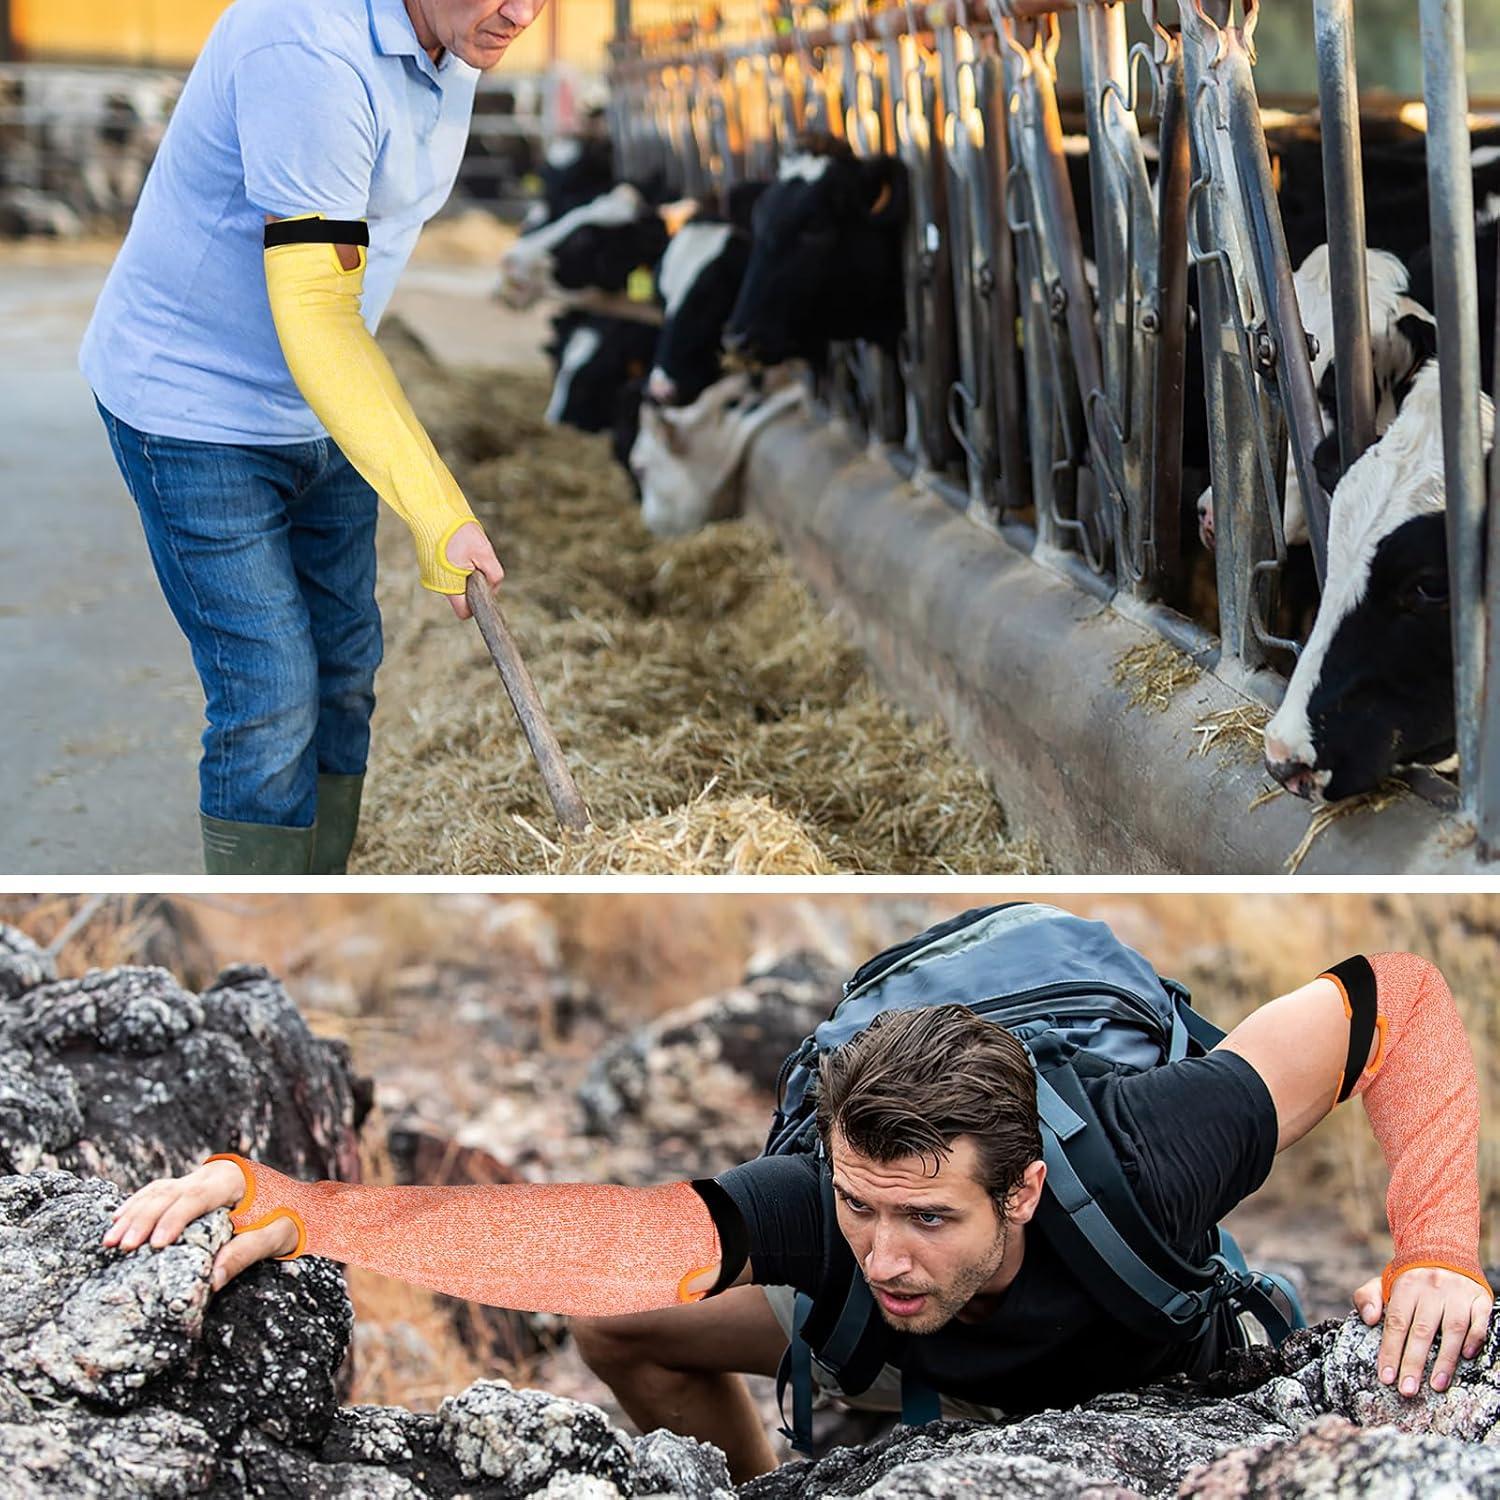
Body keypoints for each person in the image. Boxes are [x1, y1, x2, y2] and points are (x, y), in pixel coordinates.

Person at [105, 953, 1494, 1484]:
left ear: (1021, 1188)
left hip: (1134, 1340)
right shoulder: (830, 1218)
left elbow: (1398, 1000)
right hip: (891, 1370)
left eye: (928, 1217)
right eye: (859, 1205)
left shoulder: (1153, 1153)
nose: (884, 1254)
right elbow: (606, 1241)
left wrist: (1437, 1244)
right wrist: (306, 1208)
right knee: (620, 1329)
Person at [79, 1, 544, 874]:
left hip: (327, 399)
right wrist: (436, 509)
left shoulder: (454, 34)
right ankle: (265, 914)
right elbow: (318, 310)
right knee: (270, 690)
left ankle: (317, 882)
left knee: (343, 669)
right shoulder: (304, 42)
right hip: (196, 406)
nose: (522, 11)